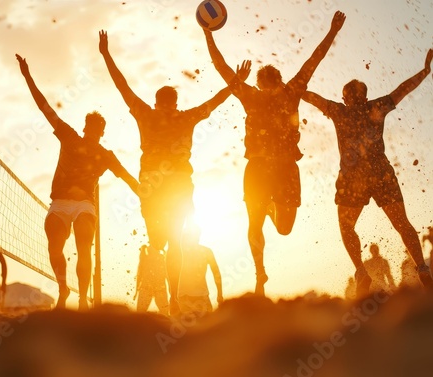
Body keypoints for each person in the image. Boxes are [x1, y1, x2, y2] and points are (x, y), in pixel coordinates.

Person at [202, 11, 346, 295]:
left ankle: (268, 206)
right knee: (254, 224)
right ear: (261, 86)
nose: (269, 90)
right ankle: (260, 274)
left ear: (279, 83)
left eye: (272, 85)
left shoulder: (289, 91)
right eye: (266, 86)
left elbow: (313, 60)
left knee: (284, 229)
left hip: (285, 168)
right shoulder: (251, 96)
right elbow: (220, 68)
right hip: (257, 168)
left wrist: (332, 31)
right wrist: (207, 33)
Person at [98, 30, 234, 314]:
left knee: (162, 243)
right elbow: (216, 101)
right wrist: (235, 83)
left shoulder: (146, 113)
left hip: (156, 186)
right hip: (178, 187)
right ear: (173, 103)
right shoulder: (185, 116)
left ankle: (172, 299)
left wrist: (106, 54)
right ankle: (172, 297)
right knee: (171, 243)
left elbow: (122, 86)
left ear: (159, 102)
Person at [302, 48, 433, 297]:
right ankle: (422, 267)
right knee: (402, 223)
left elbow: (310, 96)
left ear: (345, 98)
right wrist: (425, 71)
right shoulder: (378, 106)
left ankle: (361, 271)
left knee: (346, 226)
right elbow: (403, 89)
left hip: (353, 177)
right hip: (380, 171)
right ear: (365, 96)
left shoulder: (338, 111)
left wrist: (294, 85)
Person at [16, 54, 140, 311]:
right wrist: (27, 76)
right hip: (59, 203)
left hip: (85, 204)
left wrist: (145, 192)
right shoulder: (69, 137)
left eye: (97, 130)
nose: (93, 132)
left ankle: (83, 299)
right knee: (54, 249)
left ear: (101, 132)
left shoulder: (105, 155)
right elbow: (45, 107)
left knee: (84, 248)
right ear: (85, 127)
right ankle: (63, 287)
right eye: (91, 128)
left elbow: (129, 179)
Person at [178, 225, 223, 316]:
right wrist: (220, 294)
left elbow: (216, 272)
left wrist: (220, 294)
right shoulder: (206, 251)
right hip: (191, 298)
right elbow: (216, 272)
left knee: (189, 329)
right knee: (207, 327)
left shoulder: (179, 252)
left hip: (190, 297)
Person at [135, 245, 169, 316]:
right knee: (165, 313)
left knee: (139, 314)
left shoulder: (146, 258)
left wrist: (137, 289)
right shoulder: (159, 258)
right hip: (157, 288)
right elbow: (167, 275)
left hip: (152, 288)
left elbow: (139, 274)